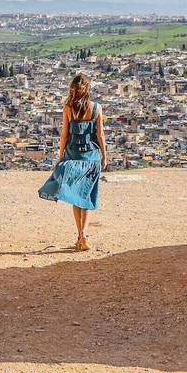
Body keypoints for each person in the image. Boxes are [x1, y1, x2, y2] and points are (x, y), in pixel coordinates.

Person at [37, 73, 106, 251]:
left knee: (76, 197)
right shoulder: (96, 108)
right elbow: (100, 135)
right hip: (91, 157)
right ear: (88, 89)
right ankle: (84, 235)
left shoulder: (68, 108)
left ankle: (80, 237)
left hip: (73, 155)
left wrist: (61, 156)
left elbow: (64, 134)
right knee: (88, 196)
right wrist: (104, 156)